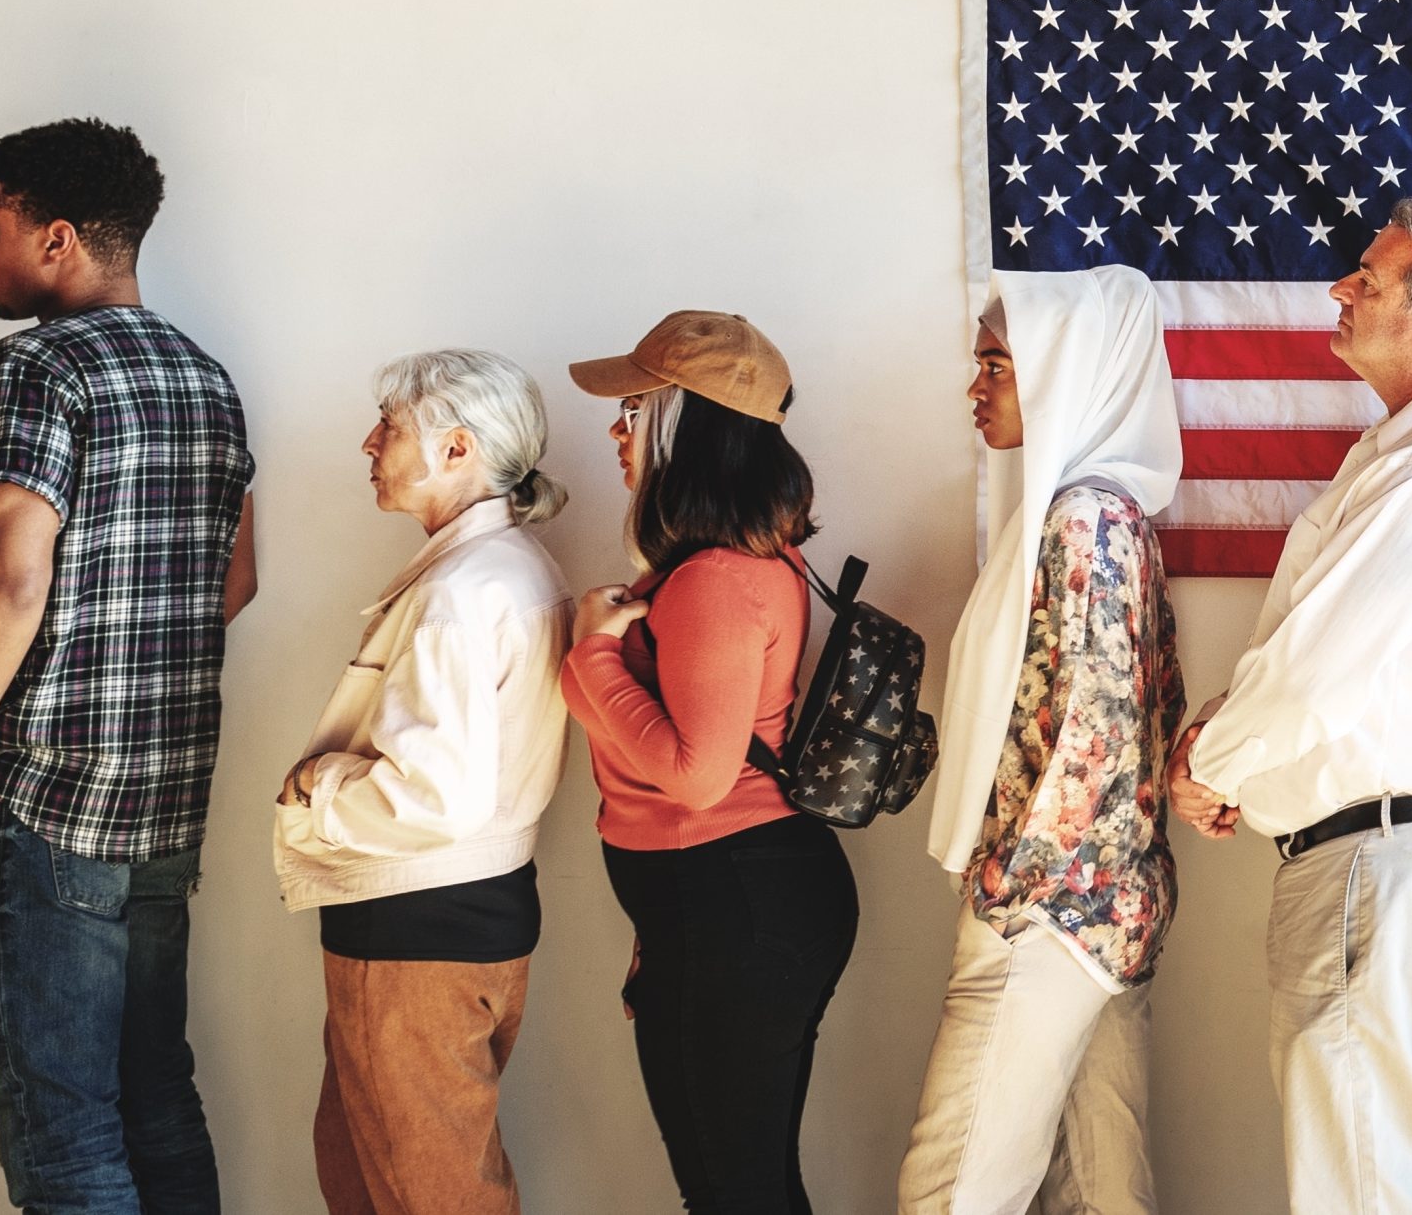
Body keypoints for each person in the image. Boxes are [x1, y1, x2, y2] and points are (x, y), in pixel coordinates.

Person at [1169, 197, 1412, 1214]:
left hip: (1389, 873)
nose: (1339, 288)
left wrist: (1211, 767)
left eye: (1367, 281)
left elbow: (1313, 676)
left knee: (1373, 1192)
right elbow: (1338, 653)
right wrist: (1228, 742)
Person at [0, 118, 256, 1213]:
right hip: (164, 799)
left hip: (46, 798)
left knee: (63, 1138)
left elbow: (13, 581)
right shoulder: (207, 378)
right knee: (157, 1101)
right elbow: (236, 580)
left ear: (57, 238)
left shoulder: (33, 366)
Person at [898, 266, 1186, 1214]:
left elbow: (1093, 731)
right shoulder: (1115, 517)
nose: (974, 389)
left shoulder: (1082, 523)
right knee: (1101, 1188)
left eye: (998, 366)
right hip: (1106, 906)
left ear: (1064, 374)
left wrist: (1009, 891)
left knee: (953, 1188)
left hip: (1050, 910)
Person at [558, 311, 857, 1214]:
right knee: (743, 1187)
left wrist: (591, 653)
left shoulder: (715, 581)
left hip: (733, 905)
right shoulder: (739, 565)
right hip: (725, 907)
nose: (617, 431)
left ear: (682, 426)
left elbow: (697, 777)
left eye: (634, 410)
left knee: (735, 1193)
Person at [274, 349, 573, 1215]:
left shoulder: (460, 591)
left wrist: (316, 788)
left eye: (390, 425)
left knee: (429, 1197)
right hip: (464, 917)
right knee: (375, 1179)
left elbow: (436, 796)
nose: (369, 443)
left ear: (457, 449)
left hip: (414, 935)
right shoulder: (514, 568)